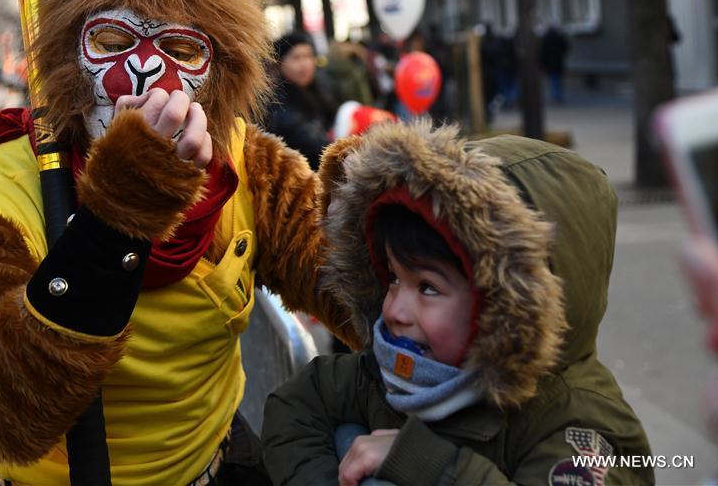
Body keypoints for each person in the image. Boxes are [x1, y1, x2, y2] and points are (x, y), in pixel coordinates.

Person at [0, 0, 359, 486]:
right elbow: (3, 417)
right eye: (112, 39)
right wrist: (117, 219)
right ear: (65, 56)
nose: (147, 73)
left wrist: (392, 226)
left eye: (181, 51)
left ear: (220, 76)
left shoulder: (247, 161)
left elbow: (353, 293)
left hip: (219, 464)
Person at [262, 119, 654, 485]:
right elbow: (294, 407)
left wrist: (429, 465)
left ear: (506, 303)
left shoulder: (580, 427)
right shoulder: (396, 371)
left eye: (428, 287)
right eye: (395, 278)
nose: (394, 310)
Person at [265, 31, 337, 170]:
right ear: (280, 63)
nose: (304, 64)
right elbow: (311, 144)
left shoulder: (320, 89)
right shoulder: (276, 102)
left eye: (308, 56)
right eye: (296, 57)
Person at [540, 24, 570, 104]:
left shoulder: (546, 38)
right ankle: (559, 96)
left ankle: (555, 97)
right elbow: (565, 48)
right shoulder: (559, 37)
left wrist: (542, 63)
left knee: (553, 81)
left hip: (550, 65)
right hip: (558, 63)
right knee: (558, 81)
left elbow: (543, 52)